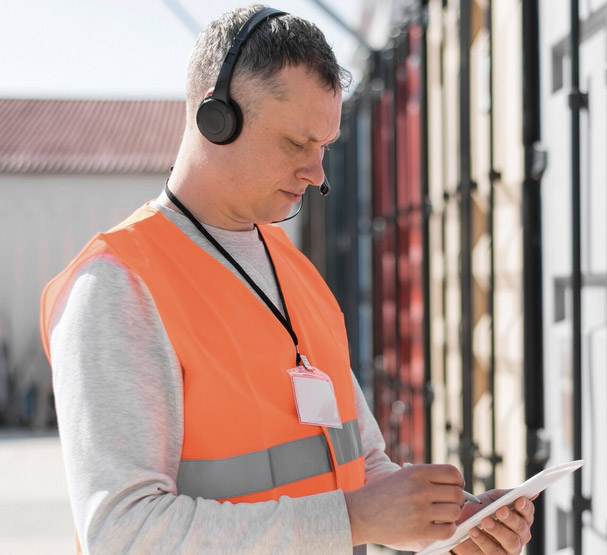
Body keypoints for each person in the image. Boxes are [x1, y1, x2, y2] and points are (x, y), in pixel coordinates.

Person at [40, 5, 535, 554]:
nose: (318, 173)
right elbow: (123, 535)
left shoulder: (293, 268)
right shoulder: (117, 286)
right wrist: (350, 520)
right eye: (297, 144)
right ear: (216, 119)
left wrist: (443, 527)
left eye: (324, 147)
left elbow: (359, 465)